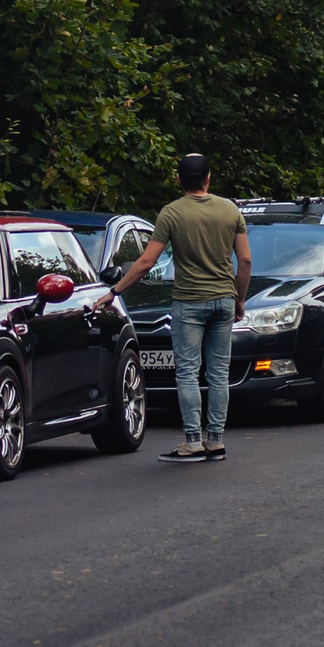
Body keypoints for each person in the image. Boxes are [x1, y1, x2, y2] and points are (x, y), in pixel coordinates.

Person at [99, 152, 249, 462]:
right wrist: (239, 299)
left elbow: (146, 262)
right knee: (218, 374)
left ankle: (193, 441)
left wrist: (115, 291)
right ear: (208, 178)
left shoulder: (171, 213)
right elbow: (245, 260)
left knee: (188, 373)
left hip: (189, 301)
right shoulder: (230, 210)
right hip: (224, 299)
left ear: (179, 179)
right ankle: (215, 440)